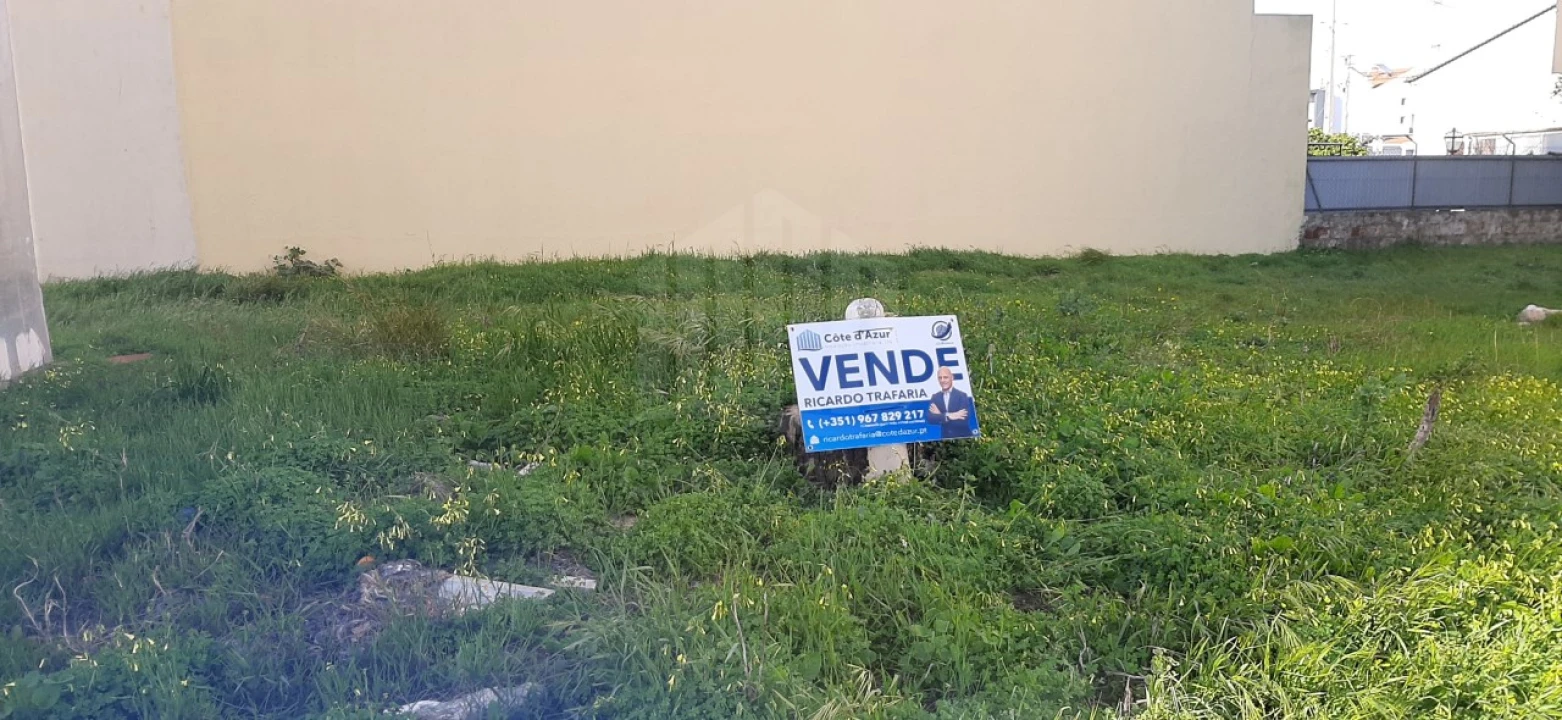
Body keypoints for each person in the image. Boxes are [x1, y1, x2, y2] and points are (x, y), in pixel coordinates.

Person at [927, 367, 976, 439]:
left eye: (945, 377)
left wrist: (941, 416)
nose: (942, 380)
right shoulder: (935, 397)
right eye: (940, 378)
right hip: (945, 438)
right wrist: (949, 416)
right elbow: (930, 418)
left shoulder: (962, 395)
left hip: (963, 438)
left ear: (952, 378)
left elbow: (963, 421)